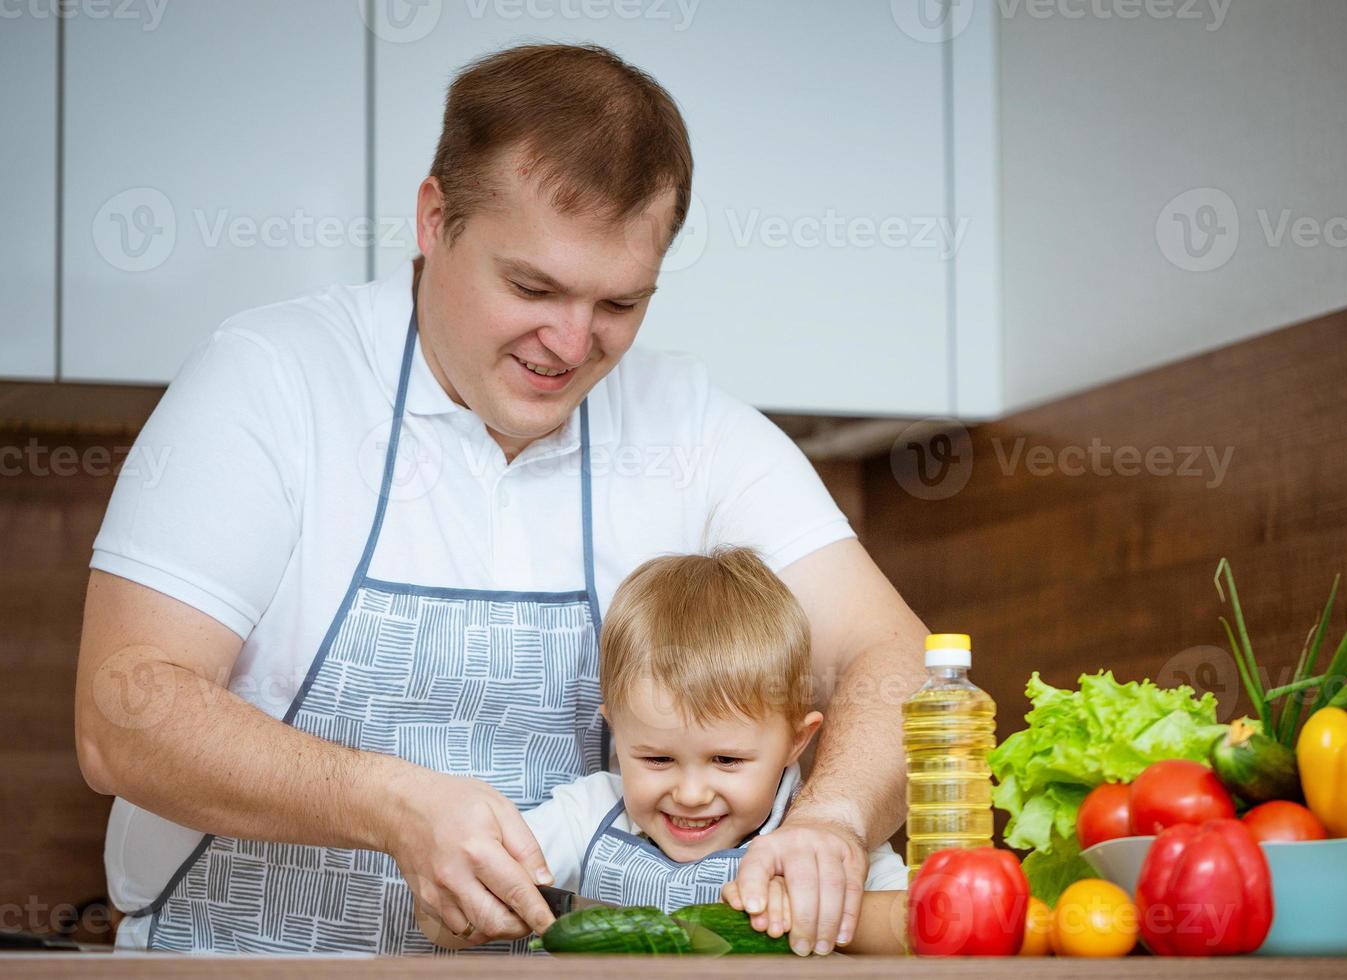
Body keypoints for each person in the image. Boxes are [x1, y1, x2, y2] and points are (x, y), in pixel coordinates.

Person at [74, 42, 928, 956]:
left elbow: (900, 654)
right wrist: (388, 802)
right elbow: (123, 709)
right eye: (532, 286)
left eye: (619, 305)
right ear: (435, 218)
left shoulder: (687, 426)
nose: (570, 343)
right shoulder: (272, 383)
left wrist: (833, 819)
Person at [419, 547, 908, 950]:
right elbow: (445, 916)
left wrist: (813, 903)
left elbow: (918, 928)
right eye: (657, 759)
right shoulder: (584, 818)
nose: (691, 793)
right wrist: (457, 912)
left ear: (795, 742)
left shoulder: (816, 842)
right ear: (617, 733)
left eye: (727, 760)